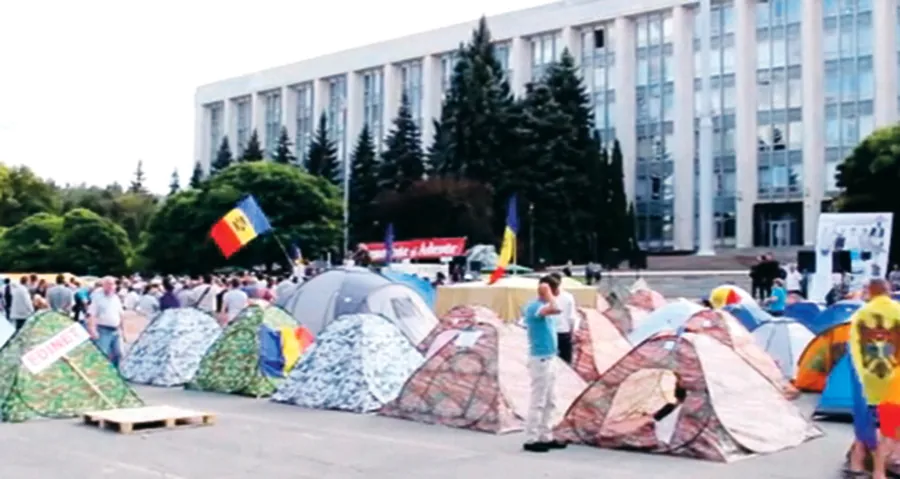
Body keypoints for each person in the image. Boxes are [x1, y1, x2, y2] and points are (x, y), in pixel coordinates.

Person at [847, 279, 900, 479]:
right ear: (888, 291)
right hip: (894, 379)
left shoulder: (859, 314)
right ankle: (883, 468)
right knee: (891, 428)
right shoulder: (898, 310)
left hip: (867, 378)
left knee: (865, 422)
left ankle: (857, 465)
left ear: (870, 292)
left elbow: (852, 349)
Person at [521, 275, 564, 453]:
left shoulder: (543, 307)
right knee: (538, 400)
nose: (559, 292)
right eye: (557, 288)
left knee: (550, 400)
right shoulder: (535, 308)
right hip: (540, 359)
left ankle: (546, 435)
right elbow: (556, 308)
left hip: (550, 357)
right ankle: (531, 438)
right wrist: (547, 293)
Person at [86, 277, 124, 366]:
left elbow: (121, 314)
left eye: (112, 284)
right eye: (108, 284)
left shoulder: (116, 298)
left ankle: (115, 373)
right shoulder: (98, 298)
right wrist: (92, 330)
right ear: (103, 285)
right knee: (102, 354)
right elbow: (92, 315)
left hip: (116, 331)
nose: (111, 286)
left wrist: (122, 330)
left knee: (119, 353)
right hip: (103, 330)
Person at [549, 272, 577, 364]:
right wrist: (572, 333)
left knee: (549, 360)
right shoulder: (568, 297)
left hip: (549, 332)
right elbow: (572, 317)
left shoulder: (546, 297)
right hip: (564, 332)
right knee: (566, 362)